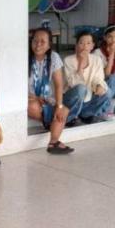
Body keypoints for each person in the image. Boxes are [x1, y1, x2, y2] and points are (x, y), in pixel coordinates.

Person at [27, 27, 73, 155]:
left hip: (46, 98)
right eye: (35, 41)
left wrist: (59, 106)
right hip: (28, 98)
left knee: (64, 110)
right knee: (32, 106)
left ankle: (53, 142)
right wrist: (35, 98)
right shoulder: (24, 57)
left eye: (43, 41)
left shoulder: (54, 57)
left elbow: (59, 85)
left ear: (49, 45)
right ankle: (52, 123)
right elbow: (15, 86)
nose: (38, 44)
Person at [62, 31, 111, 124]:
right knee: (81, 88)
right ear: (76, 45)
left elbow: (98, 77)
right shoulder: (68, 60)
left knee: (107, 91)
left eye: (88, 43)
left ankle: (87, 114)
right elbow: (73, 84)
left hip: (88, 98)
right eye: (81, 43)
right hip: (71, 99)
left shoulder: (96, 59)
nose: (85, 46)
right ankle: (71, 117)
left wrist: (99, 85)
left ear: (92, 46)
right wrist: (81, 62)